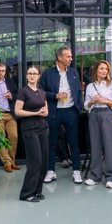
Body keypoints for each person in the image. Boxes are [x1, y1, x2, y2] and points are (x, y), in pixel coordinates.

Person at [39, 47, 83, 184]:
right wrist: (55, 96)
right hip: (54, 112)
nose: (71, 59)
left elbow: (79, 91)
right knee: (51, 143)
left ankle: (76, 171)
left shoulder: (73, 72)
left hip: (70, 111)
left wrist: (78, 109)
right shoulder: (48, 74)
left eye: (71, 56)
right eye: (68, 56)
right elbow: (41, 92)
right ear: (59, 58)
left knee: (74, 142)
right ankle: (50, 171)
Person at [83, 60, 112, 188]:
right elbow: (86, 105)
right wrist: (92, 102)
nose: (104, 71)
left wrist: (104, 100)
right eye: (101, 68)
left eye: (106, 69)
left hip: (107, 114)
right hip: (94, 114)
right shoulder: (90, 86)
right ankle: (95, 176)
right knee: (95, 146)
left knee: (109, 146)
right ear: (96, 70)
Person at [16, 65, 49, 202]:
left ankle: (37, 191)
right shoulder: (23, 92)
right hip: (30, 128)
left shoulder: (41, 93)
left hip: (42, 127)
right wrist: (35, 113)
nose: (32, 76)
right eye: (30, 73)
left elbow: (46, 112)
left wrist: (42, 112)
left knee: (44, 161)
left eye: (35, 73)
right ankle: (26, 194)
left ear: (38, 76)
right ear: (26, 76)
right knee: (35, 161)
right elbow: (18, 111)